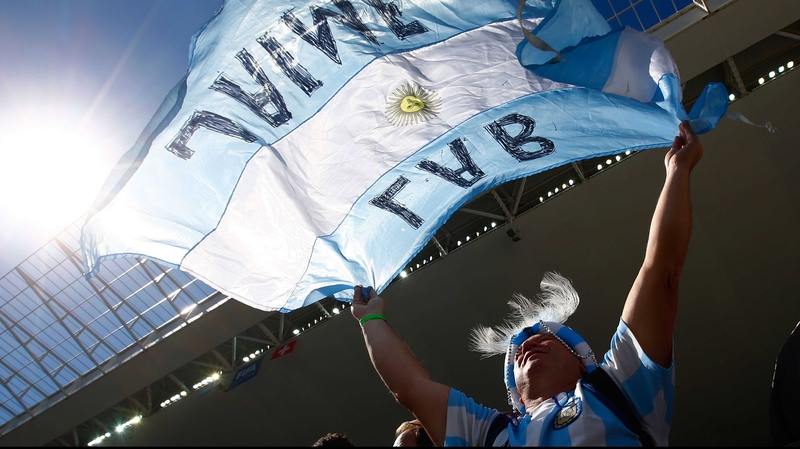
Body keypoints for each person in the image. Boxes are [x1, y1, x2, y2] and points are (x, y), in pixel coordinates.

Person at [351, 121, 703, 446]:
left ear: (583, 363)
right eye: (518, 353)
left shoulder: (620, 387)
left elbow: (661, 274)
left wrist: (678, 171)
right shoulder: (488, 435)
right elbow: (410, 389)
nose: (528, 345)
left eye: (547, 339)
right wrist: (371, 318)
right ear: (514, 393)